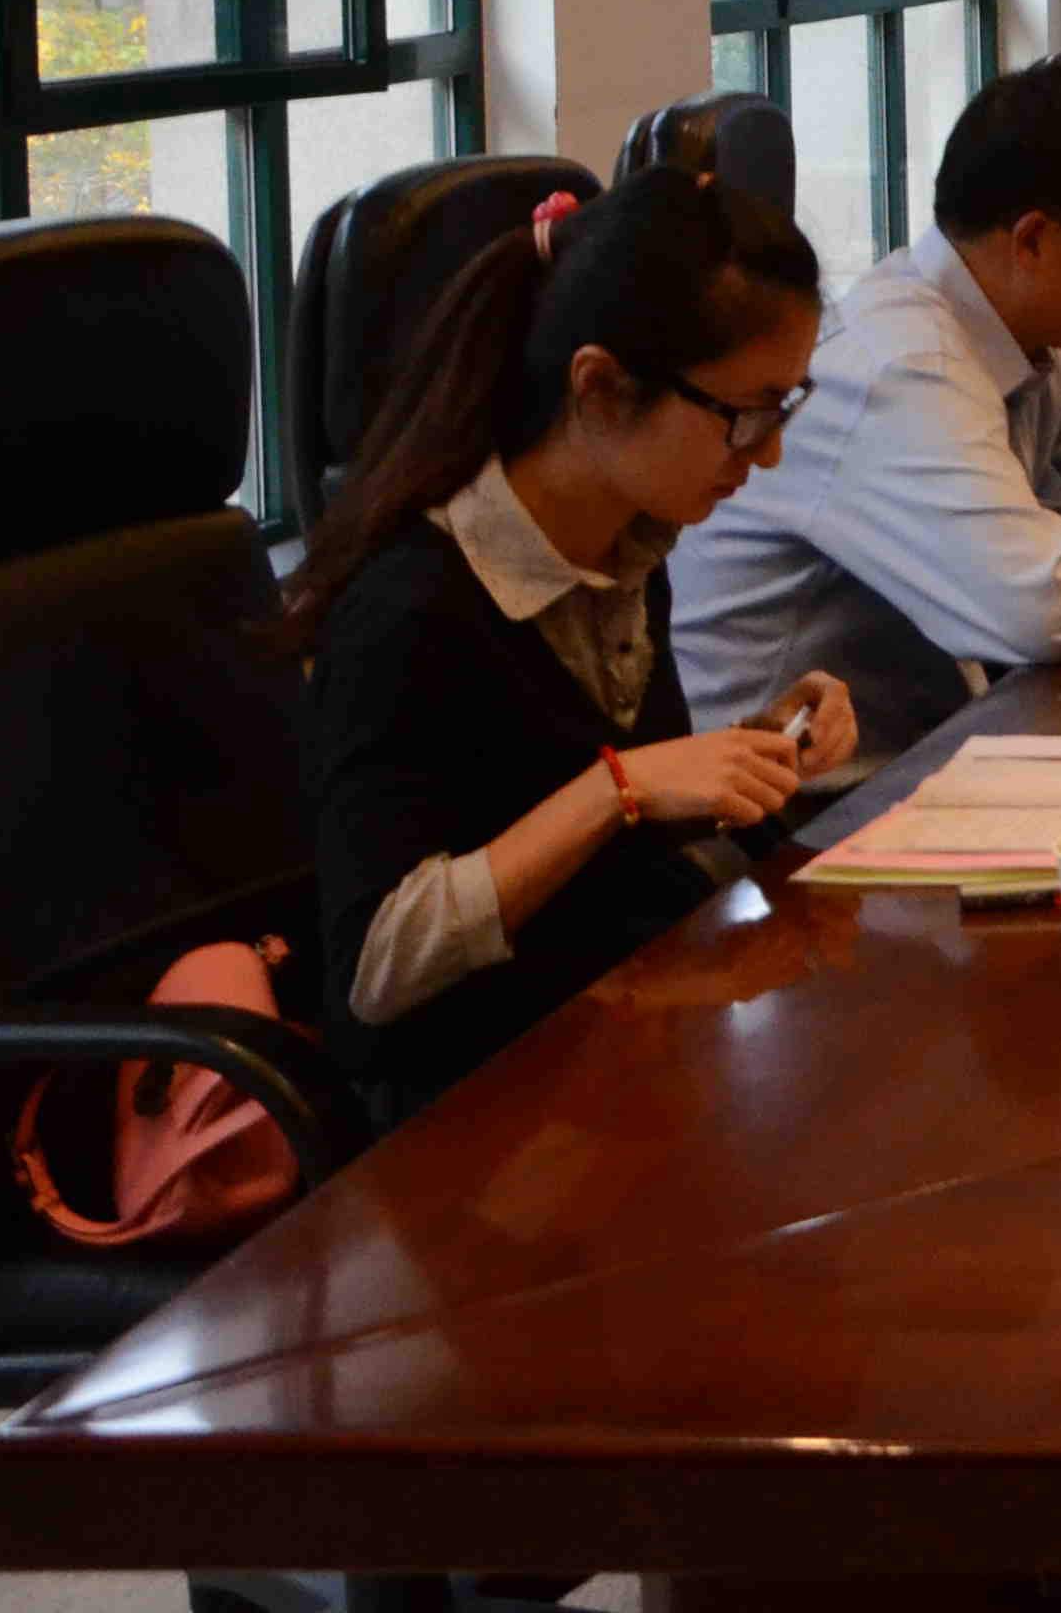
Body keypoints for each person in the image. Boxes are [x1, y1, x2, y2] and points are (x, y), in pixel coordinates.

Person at [297, 171, 858, 1114]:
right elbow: (374, 973)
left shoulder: (629, 544)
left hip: (624, 1038)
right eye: (745, 414)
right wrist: (617, 788)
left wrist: (752, 753)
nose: (766, 454)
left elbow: (604, 848)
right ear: (598, 386)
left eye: (784, 408)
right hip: (477, 1111)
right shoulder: (409, 609)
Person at [673, 62, 1061, 762]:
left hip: (927, 750)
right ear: (1033, 241)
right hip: (789, 795)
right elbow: (1038, 608)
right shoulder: (898, 366)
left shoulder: (1041, 339)